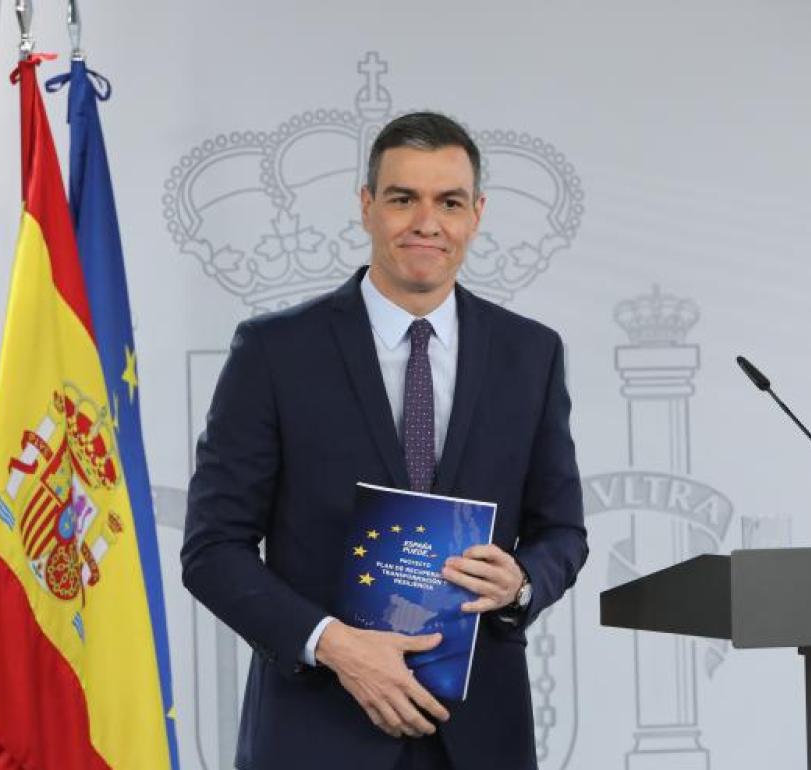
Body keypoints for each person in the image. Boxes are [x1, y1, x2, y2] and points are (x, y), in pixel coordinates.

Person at [182, 111, 587, 770]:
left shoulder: (531, 355)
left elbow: (562, 533)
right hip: (319, 732)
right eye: (404, 198)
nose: (427, 222)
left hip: (480, 737)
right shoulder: (275, 353)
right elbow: (211, 549)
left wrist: (520, 583)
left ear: (476, 214)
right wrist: (334, 645)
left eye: (449, 202)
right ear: (367, 206)